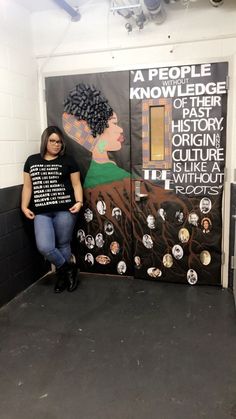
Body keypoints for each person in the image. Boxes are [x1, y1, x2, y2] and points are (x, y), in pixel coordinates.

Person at [21, 126, 83, 293]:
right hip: (41, 212)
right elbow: (28, 187)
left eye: (59, 142)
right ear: (45, 141)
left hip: (65, 210)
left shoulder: (68, 161)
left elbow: (76, 184)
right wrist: (23, 205)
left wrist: (79, 201)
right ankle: (68, 270)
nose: (56, 145)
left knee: (63, 244)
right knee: (45, 247)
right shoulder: (32, 160)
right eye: (53, 141)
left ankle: (62, 278)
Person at [62, 83, 130, 189]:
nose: (120, 129)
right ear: (96, 129)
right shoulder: (119, 177)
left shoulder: (94, 171)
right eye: (114, 123)